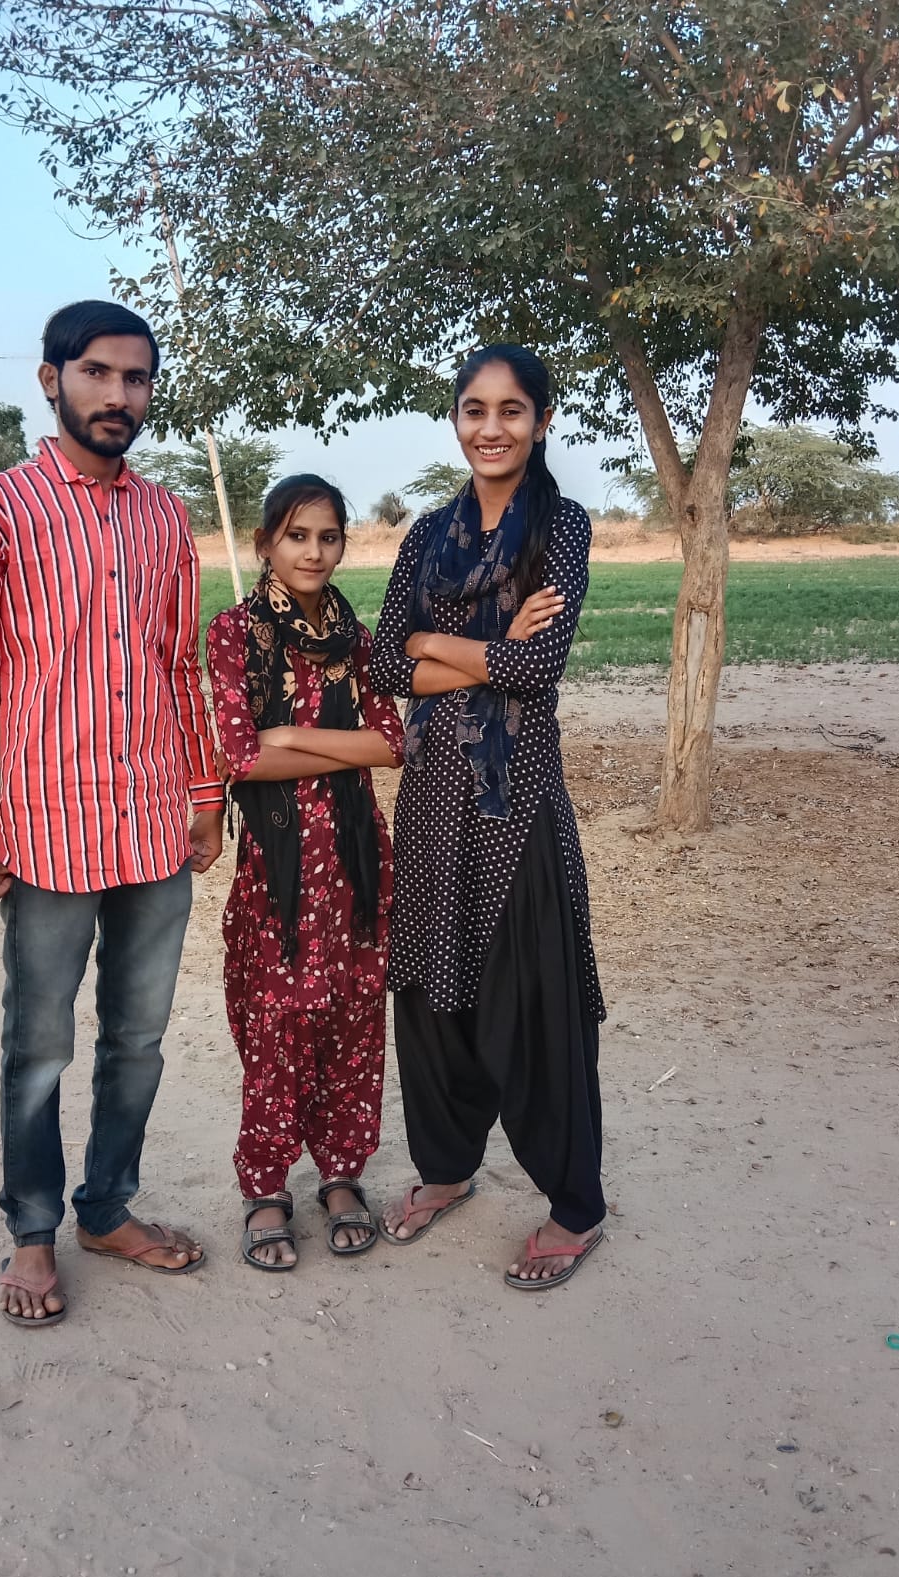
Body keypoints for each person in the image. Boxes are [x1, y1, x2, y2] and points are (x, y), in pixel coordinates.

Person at [0, 300, 224, 1327]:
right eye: (97, 374)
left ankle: (107, 1207)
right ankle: (34, 1232)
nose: (118, 396)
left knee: (137, 1040)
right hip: (50, 829)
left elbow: (182, 668)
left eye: (135, 380)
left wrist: (205, 792)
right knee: (39, 1044)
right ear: (51, 379)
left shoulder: (165, 515)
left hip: (155, 828)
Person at [369, 344, 607, 1290]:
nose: (492, 427)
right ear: (456, 421)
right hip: (431, 793)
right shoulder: (427, 534)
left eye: (512, 410)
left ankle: (576, 1206)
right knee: (431, 986)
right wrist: (473, 643)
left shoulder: (564, 528)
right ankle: (447, 1169)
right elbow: (385, 666)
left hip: (516, 801)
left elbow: (535, 672)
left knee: (533, 999)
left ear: (541, 421)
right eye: (474, 409)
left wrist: (437, 642)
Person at [206, 476, 404, 1271]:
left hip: (356, 860)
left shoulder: (358, 642)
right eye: (297, 536)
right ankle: (265, 1187)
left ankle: (343, 1175)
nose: (314, 552)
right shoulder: (234, 634)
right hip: (280, 867)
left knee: (354, 1019)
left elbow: (391, 743)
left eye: (328, 537)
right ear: (266, 544)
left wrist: (288, 734)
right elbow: (238, 755)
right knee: (278, 1023)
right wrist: (283, 744)